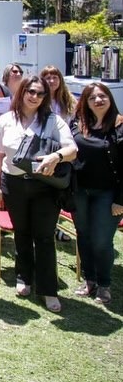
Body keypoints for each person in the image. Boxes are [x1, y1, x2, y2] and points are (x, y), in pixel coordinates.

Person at [0, 76, 77, 313]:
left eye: (40, 93)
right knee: (22, 233)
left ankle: (48, 289)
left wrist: (55, 156)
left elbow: (72, 149)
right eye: (30, 91)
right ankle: (24, 277)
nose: (34, 97)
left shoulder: (53, 120)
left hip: (44, 186)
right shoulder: (7, 120)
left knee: (45, 237)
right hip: (14, 184)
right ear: (22, 92)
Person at [69, 83, 123, 304]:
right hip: (80, 190)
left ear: (110, 99)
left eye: (102, 96)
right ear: (85, 102)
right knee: (84, 235)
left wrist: (121, 200)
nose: (98, 101)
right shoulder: (77, 124)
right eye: (93, 98)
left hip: (108, 194)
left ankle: (104, 284)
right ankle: (89, 280)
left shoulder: (120, 126)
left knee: (102, 241)